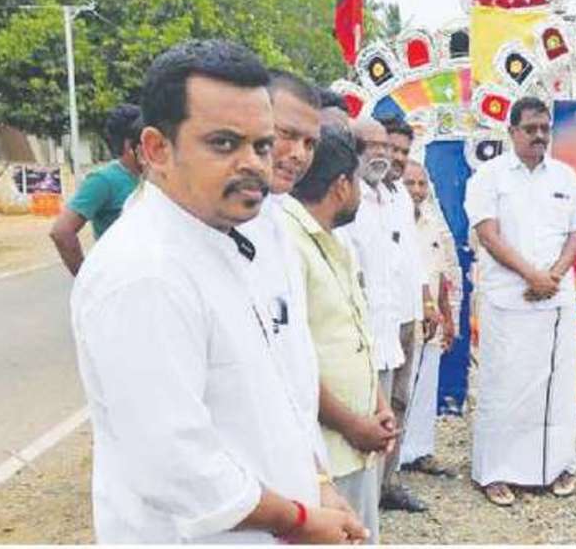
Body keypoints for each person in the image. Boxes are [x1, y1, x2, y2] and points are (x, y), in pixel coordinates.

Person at [69, 40, 365, 543]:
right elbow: (174, 463)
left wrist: (317, 483)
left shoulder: (251, 233)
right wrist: (297, 519)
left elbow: (286, 389)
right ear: (157, 149)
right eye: (224, 144)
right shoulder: (143, 272)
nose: (253, 164)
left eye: (262, 146)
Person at [464, 96, 576, 507]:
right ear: (512, 131)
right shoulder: (489, 176)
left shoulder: (565, 176)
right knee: (504, 387)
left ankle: (555, 466)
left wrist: (553, 276)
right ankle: (495, 472)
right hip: (508, 299)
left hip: (556, 299)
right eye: (530, 129)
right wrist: (531, 275)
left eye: (544, 129)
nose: (539, 136)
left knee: (557, 387)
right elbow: (488, 234)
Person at [281, 122, 394, 544]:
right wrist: (352, 425)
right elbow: (290, 360)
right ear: (343, 186)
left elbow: (352, 335)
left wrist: (378, 405)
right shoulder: (288, 245)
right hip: (324, 453)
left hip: (356, 445)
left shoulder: (335, 241)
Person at [235, 71, 331, 478]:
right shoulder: (219, 225)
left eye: (310, 143)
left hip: (294, 459)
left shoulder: (279, 215)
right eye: (286, 135)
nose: (298, 154)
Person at [374, 114, 433, 512]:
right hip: (376, 319)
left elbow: (413, 256)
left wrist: (426, 302)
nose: (396, 157)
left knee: (399, 401)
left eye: (403, 151)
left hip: (407, 314)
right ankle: (365, 489)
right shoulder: (360, 196)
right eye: (390, 149)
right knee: (373, 407)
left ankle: (388, 484)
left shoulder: (398, 196)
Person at [399, 160, 462, 477]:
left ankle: (420, 451)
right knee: (400, 390)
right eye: (409, 184)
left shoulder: (432, 223)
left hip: (433, 320)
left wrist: (448, 318)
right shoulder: (391, 223)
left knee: (425, 386)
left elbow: (443, 274)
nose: (417, 190)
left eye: (422, 184)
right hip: (402, 318)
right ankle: (393, 459)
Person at [50, 103, 143, 275]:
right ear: (129, 145)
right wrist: (84, 279)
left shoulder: (154, 177)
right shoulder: (103, 181)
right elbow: (61, 231)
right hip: (118, 279)